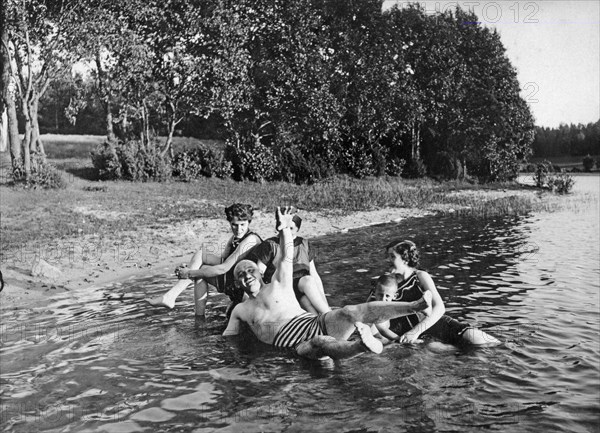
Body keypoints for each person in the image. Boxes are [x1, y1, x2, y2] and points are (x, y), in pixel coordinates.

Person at [223, 207, 433, 360]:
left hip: (312, 322)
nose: (247, 275)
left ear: (260, 273)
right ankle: (361, 346)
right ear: (238, 282)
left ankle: (415, 306)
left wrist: (285, 229)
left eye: (250, 270)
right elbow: (228, 339)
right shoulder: (241, 309)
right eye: (241, 274)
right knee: (321, 343)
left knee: (350, 311)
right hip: (289, 343)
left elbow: (287, 256)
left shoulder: (277, 283)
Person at [374, 240, 500, 346]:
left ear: (405, 260)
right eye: (387, 256)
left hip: (439, 327)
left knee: (487, 343)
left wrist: (415, 332)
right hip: (420, 340)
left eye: (392, 256)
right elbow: (373, 313)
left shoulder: (420, 276)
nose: (387, 260)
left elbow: (440, 308)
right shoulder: (386, 284)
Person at [147, 203, 261, 316]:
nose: (238, 229)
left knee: (200, 273)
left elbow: (223, 268)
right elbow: (222, 259)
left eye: (242, 225)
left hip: (247, 285)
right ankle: (178, 302)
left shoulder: (250, 240)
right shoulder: (235, 238)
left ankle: (188, 309)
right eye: (234, 225)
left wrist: (190, 272)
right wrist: (189, 267)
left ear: (249, 222)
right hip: (236, 280)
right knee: (201, 254)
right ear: (230, 223)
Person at [246, 214, 330, 314]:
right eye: (285, 227)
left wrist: (324, 301)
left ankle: (326, 316)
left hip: (300, 288)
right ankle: (329, 315)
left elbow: (314, 274)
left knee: (307, 299)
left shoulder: (305, 244)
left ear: (298, 229)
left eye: (291, 228)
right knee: (308, 281)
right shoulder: (269, 245)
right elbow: (259, 273)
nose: (288, 231)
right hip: (279, 288)